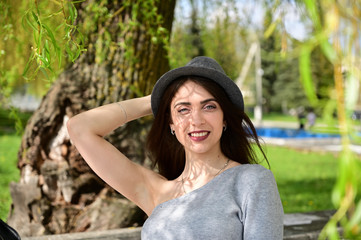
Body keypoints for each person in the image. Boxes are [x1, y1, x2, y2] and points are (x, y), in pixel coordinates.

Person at [67, 56, 284, 239]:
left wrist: (175, 102)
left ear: (225, 118)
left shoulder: (250, 181)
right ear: (170, 123)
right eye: (183, 109)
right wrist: (158, 100)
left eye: (209, 106)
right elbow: (80, 128)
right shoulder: (156, 191)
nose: (196, 120)